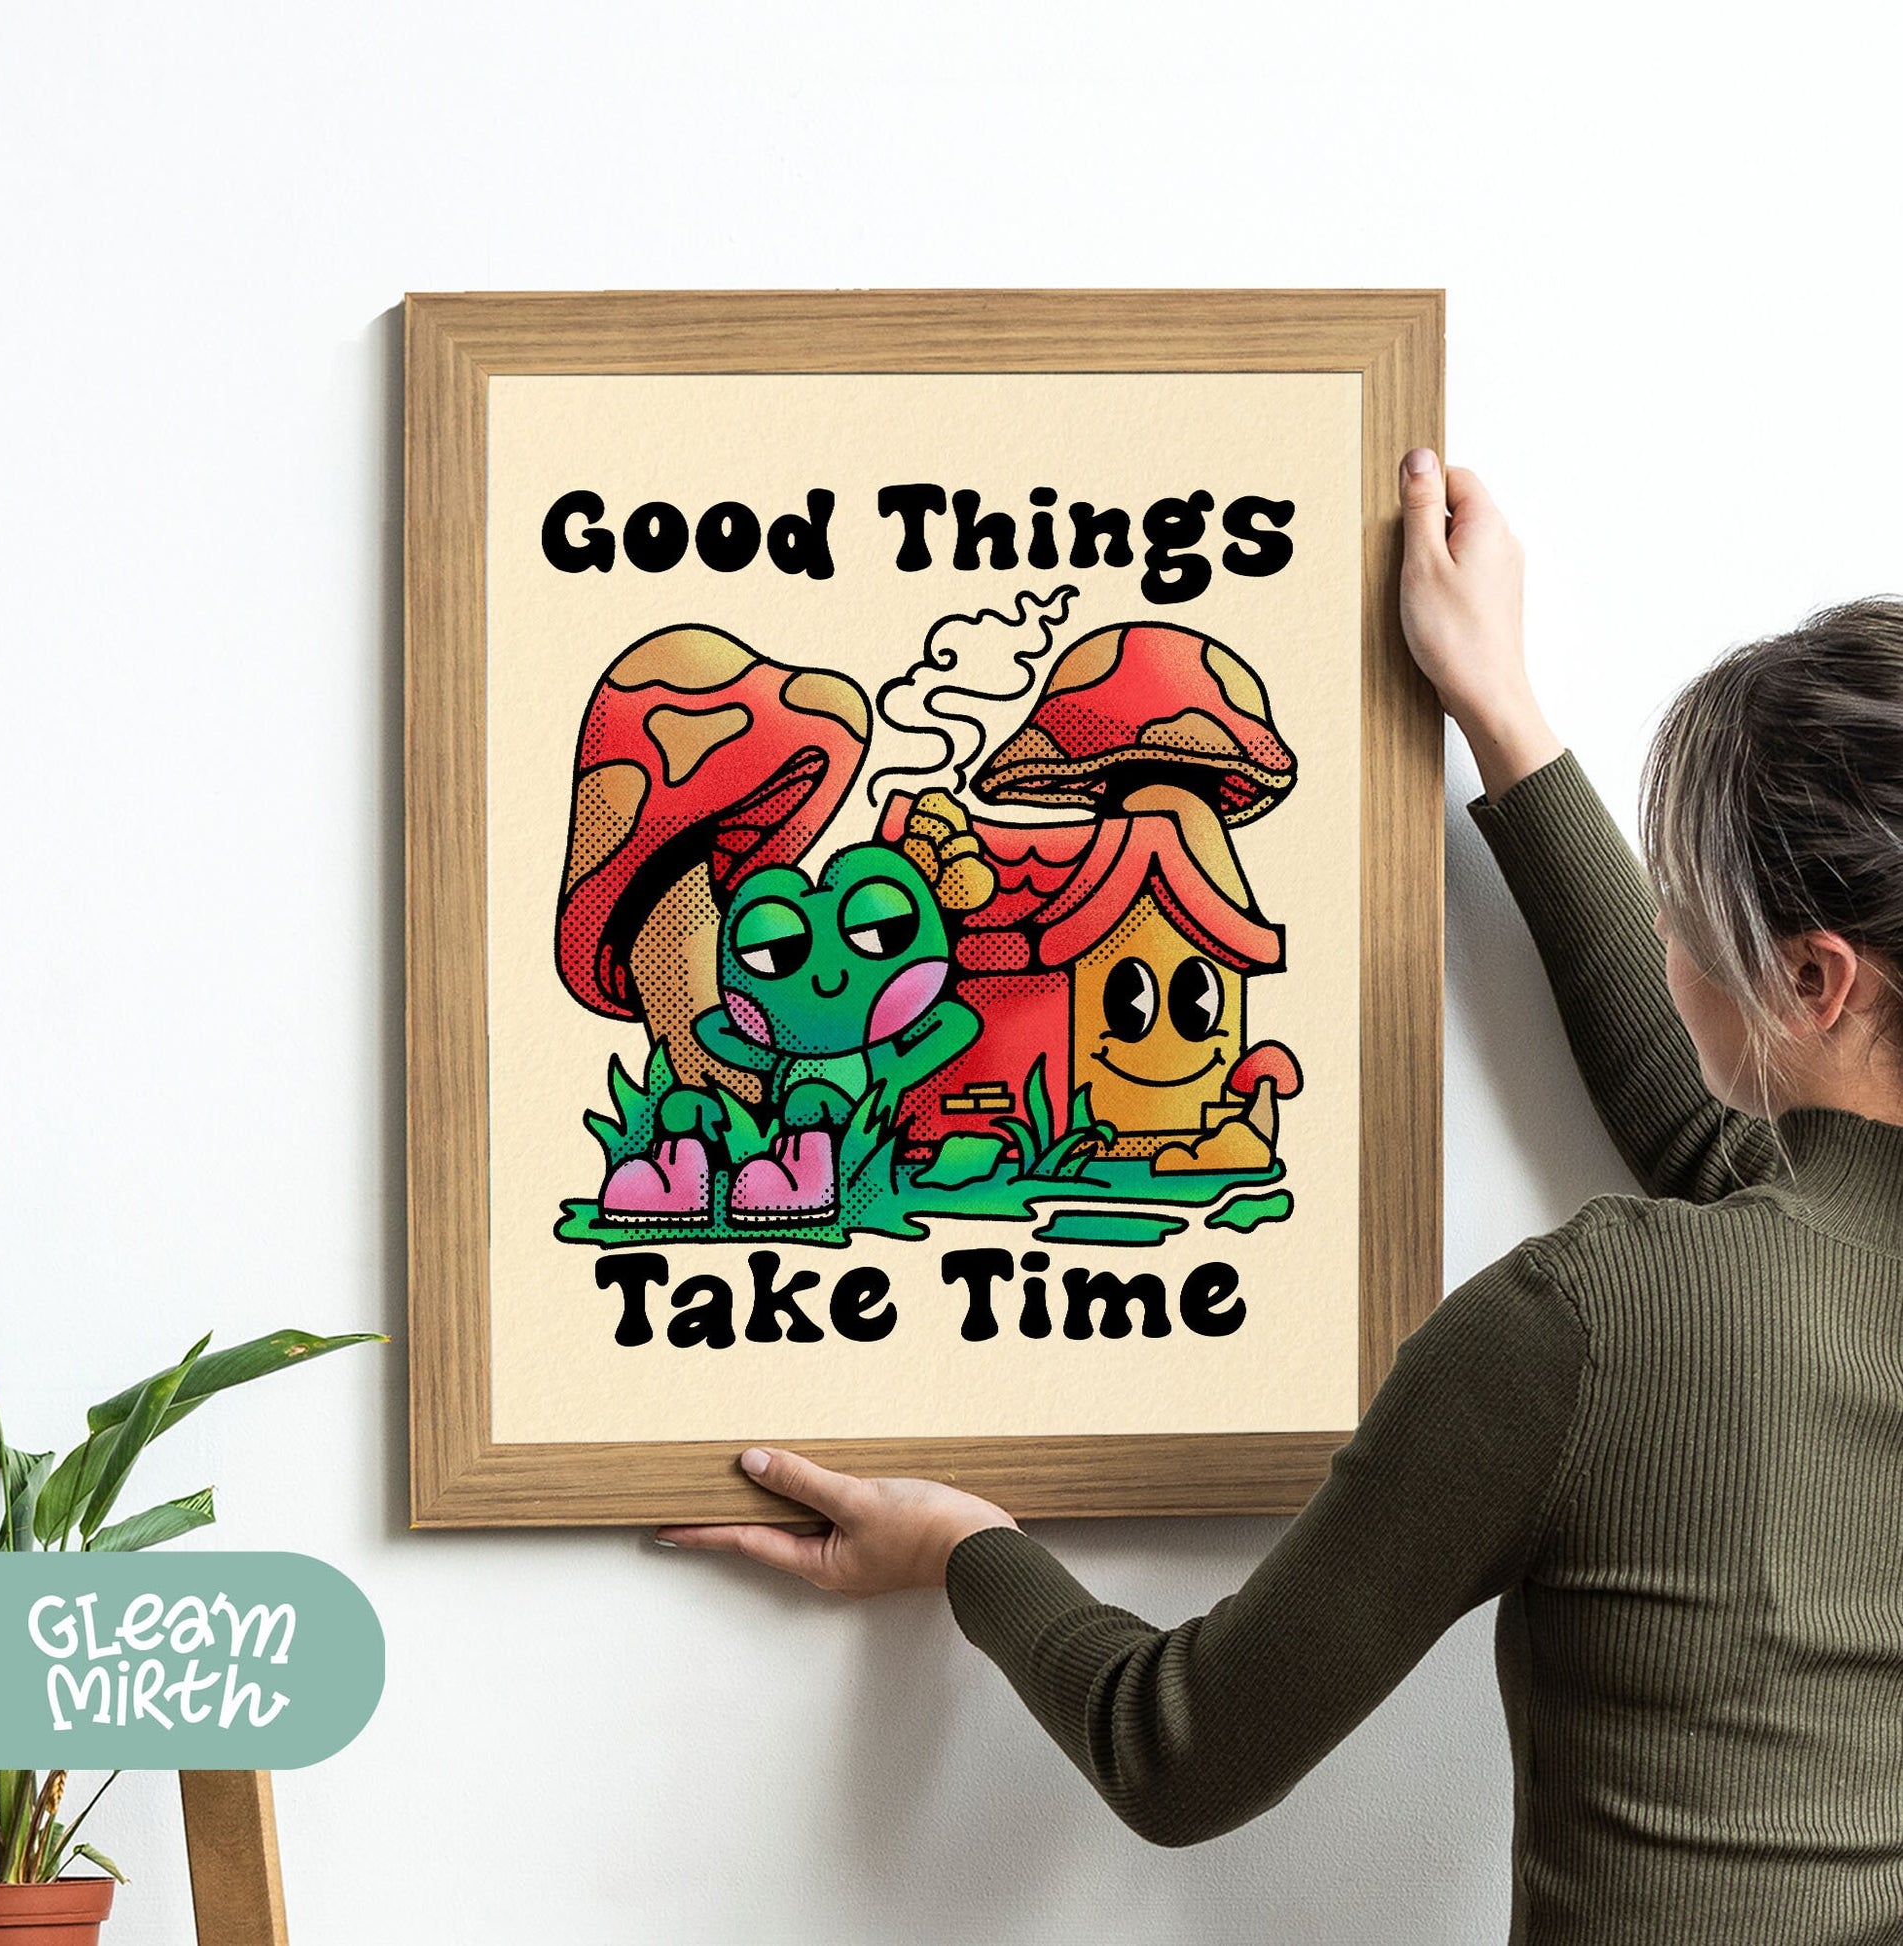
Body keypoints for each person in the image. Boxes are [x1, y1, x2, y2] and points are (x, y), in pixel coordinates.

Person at [655, 453, 1903, 1942]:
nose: (1668, 942)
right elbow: (1737, 1151)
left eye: (1685, 915)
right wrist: (1498, 711)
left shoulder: (1605, 1317)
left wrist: (959, 1549)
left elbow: (1176, 1750)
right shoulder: (1753, 1271)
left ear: (1814, 981)